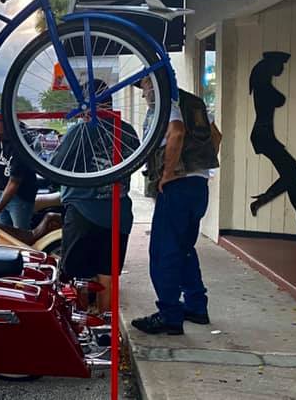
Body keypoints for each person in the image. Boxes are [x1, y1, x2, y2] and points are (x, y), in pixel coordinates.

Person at [132, 80, 221, 335]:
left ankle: (169, 315)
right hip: (198, 185)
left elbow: (177, 132)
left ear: (154, 83)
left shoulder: (167, 104)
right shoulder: (194, 102)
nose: (144, 94)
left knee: (164, 253)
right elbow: (216, 136)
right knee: (184, 249)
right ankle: (196, 306)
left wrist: (169, 172)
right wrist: (199, 166)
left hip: (177, 186)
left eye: (145, 86)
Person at [52, 79, 140, 313]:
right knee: (108, 274)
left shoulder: (80, 131)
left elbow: (56, 167)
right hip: (117, 213)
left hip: (83, 211)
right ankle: (105, 330)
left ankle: (82, 331)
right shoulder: (128, 131)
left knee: (79, 276)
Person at [248, 52, 296, 230]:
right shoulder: (263, 87)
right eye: (280, 64)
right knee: (295, 173)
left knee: (291, 175)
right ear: (271, 66)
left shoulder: (261, 85)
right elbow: (280, 100)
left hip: (264, 135)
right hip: (263, 136)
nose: (282, 68)